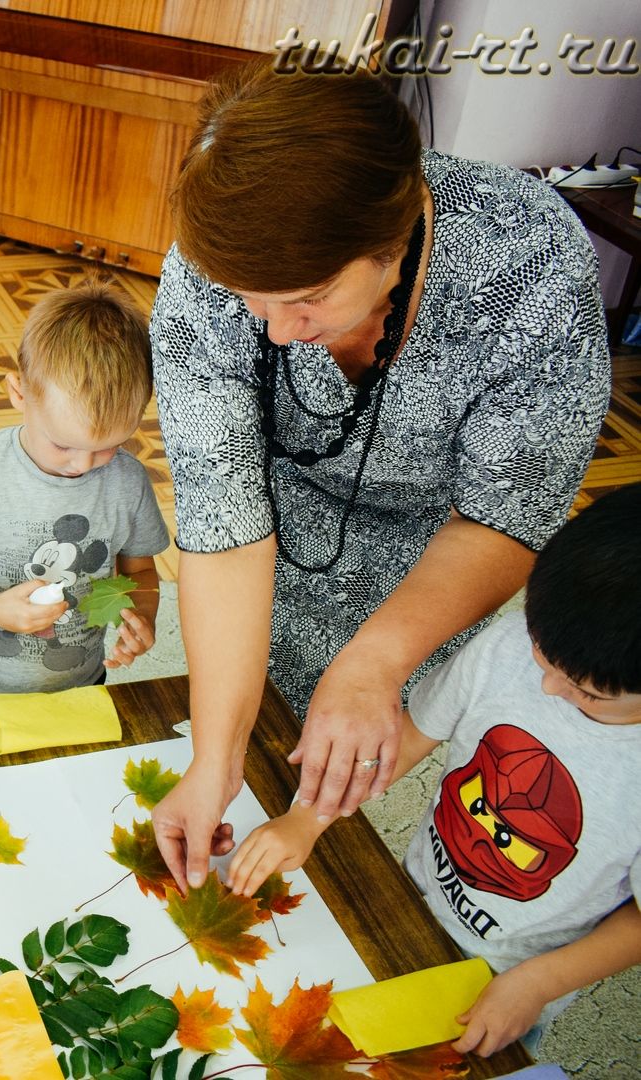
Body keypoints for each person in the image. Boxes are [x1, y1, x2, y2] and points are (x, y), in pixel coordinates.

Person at [147, 58, 610, 891]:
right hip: (268, 556)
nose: (280, 333)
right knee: (242, 749)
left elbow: (508, 513)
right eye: (256, 302)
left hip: (439, 569)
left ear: (393, 236)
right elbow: (222, 514)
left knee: (371, 805)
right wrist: (212, 761)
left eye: (311, 298)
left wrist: (375, 663)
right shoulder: (208, 271)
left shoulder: (529, 259)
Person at [228, 484, 641, 1057]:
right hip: (412, 888)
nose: (547, 687)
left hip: (507, 975)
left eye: (588, 693)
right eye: (542, 655)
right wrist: (309, 817)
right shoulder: (506, 644)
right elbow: (416, 729)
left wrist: (537, 984)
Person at [0, 281, 170, 704]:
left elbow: (140, 573)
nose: (83, 465)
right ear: (19, 393)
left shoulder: (127, 481)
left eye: (108, 446)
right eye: (63, 444)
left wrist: (141, 617)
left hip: (81, 679)